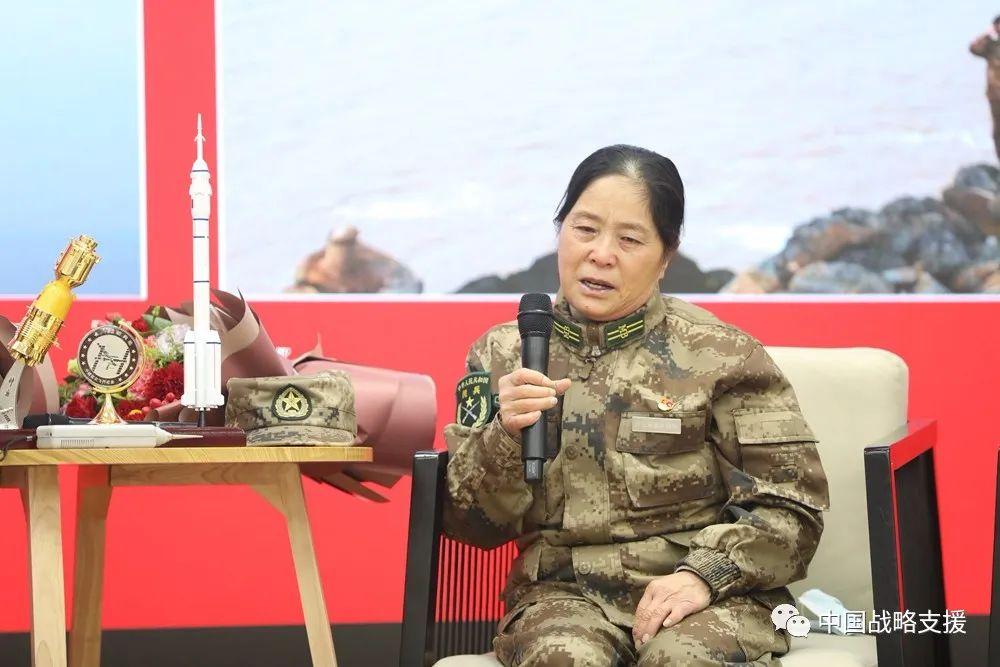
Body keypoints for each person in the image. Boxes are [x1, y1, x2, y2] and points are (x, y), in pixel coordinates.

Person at [443, 145, 829, 666]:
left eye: (629, 239)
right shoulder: (502, 355)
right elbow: (468, 527)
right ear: (560, 232)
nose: (601, 254)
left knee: (682, 659)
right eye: (585, 229)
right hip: (564, 597)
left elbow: (792, 507)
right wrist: (504, 438)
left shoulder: (723, 355)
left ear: (666, 256)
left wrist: (706, 574)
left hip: (705, 594)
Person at [970, 15, 1000, 162]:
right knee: (998, 131)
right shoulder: (990, 45)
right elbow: (973, 49)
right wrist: (987, 35)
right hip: (995, 96)